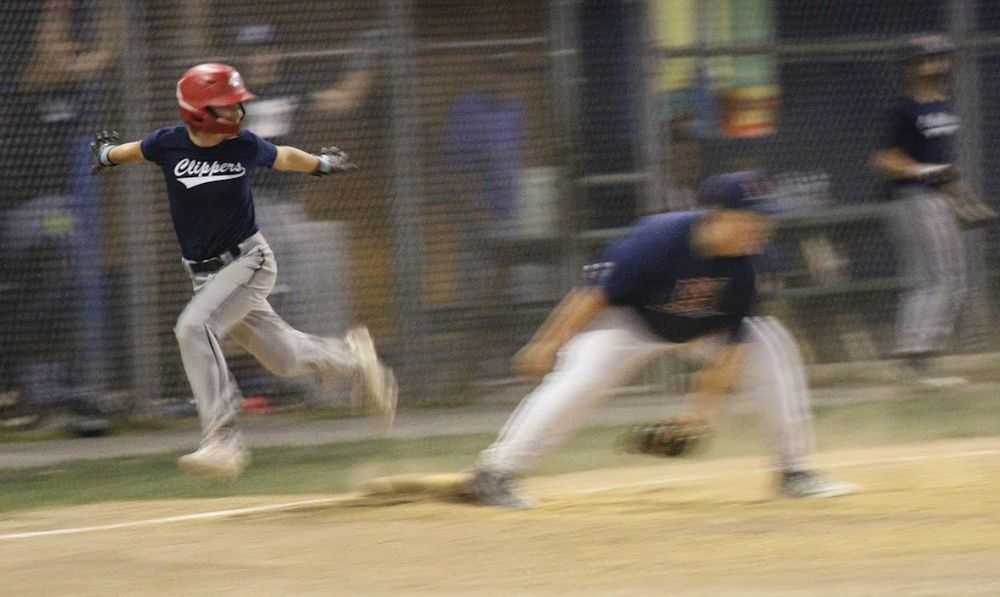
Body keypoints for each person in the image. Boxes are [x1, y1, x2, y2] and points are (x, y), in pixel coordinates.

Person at [462, 171, 856, 508]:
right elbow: (592, 294)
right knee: (580, 381)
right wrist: (548, 343)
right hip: (628, 322)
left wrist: (694, 420)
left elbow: (730, 355)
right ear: (717, 217)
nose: (761, 228)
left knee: (773, 346)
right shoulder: (658, 239)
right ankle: (495, 472)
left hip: (699, 329)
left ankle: (794, 470)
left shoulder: (748, 266)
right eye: (751, 218)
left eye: (764, 220)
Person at [90, 63, 397, 480]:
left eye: (238, 106)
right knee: (285, 361)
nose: (236, 114)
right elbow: (133, 150)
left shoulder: (241, 145)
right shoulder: (169, 143)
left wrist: (320, 165)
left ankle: (222, 439)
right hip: (205, 276)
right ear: (197, 112)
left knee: (193, 328)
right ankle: (352, 359)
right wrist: (107, 156)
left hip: (248, 262)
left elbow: (284, 156)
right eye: (225, 107)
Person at [870, 35, 996, 379]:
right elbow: (884, 160)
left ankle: (916, 357)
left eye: (940, 58)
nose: (935, 65)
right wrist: (927, 172)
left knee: (947, 281)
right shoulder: (903, 109)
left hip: (935, 200)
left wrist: (965, 202)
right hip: (912, 199)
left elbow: (942, 165)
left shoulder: (942, 106)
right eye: (926, 60)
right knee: (936, 281)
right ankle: (915, 357)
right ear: (911, 67)